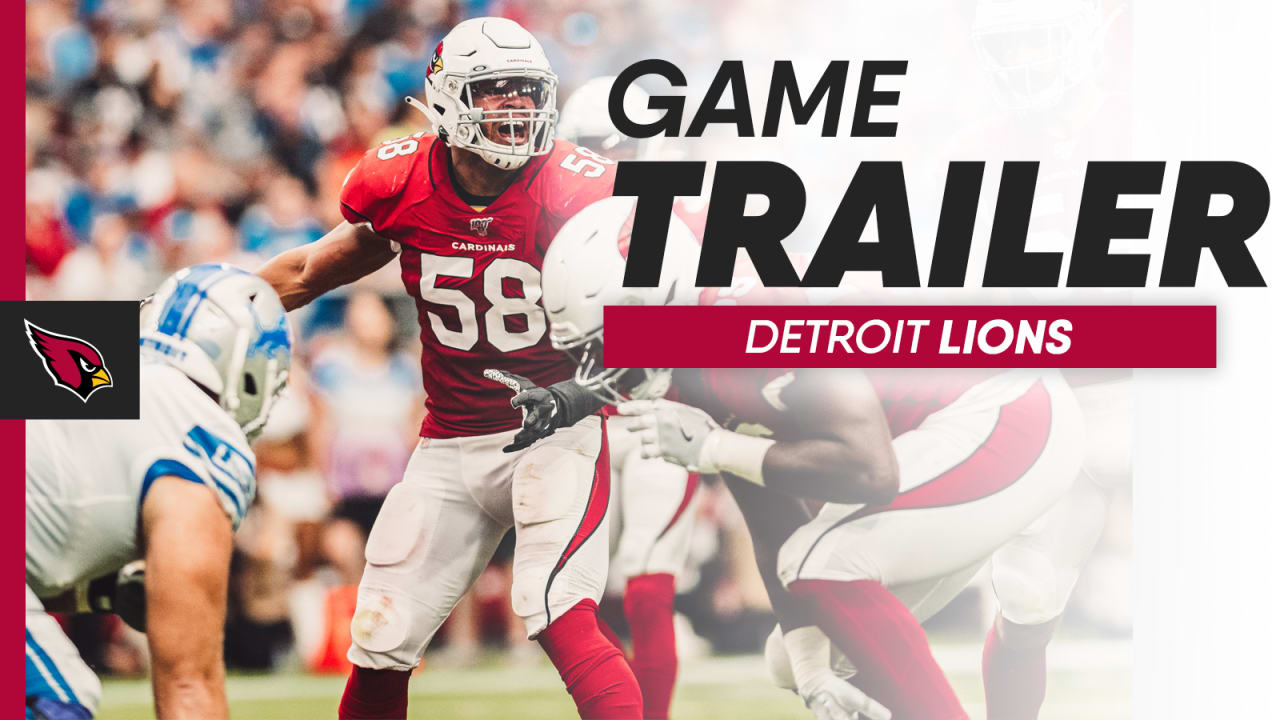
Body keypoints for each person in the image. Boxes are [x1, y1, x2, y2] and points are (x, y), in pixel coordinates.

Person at [528, 196, 1086, 720]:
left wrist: (717, 448)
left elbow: (870, 470)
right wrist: (813, 670)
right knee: (797, 651)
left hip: (1006, 414)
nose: (603, 371)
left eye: (610, 344)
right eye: (590, 353)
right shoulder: (686, 364)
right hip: (956, 436)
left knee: (820, 562)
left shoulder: (751, 318)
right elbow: (771, 519)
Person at [255, 17, 642, 720]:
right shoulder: (399, 180)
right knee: (379, 633)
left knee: (557, 610)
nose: (515, 110)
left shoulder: (580, 191)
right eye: (495, 93)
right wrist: (201, 310)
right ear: (447, 99)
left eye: (526, 93)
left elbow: (673, 293)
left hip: (559, 432)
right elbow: (308, 270)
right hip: (449, 443)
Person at [25, 263, 292, 720]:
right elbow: (189, 689)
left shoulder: (87, 350)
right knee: (59, 702)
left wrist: (99, 594)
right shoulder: (199, 433)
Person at [559, 76, 702, 720]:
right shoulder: (549, 217)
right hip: (586, 419)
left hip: (657, 413)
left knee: (649, 580)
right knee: (572, 594)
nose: (603, 163)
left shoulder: (691, 218)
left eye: (613, 148)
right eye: (591, 148)